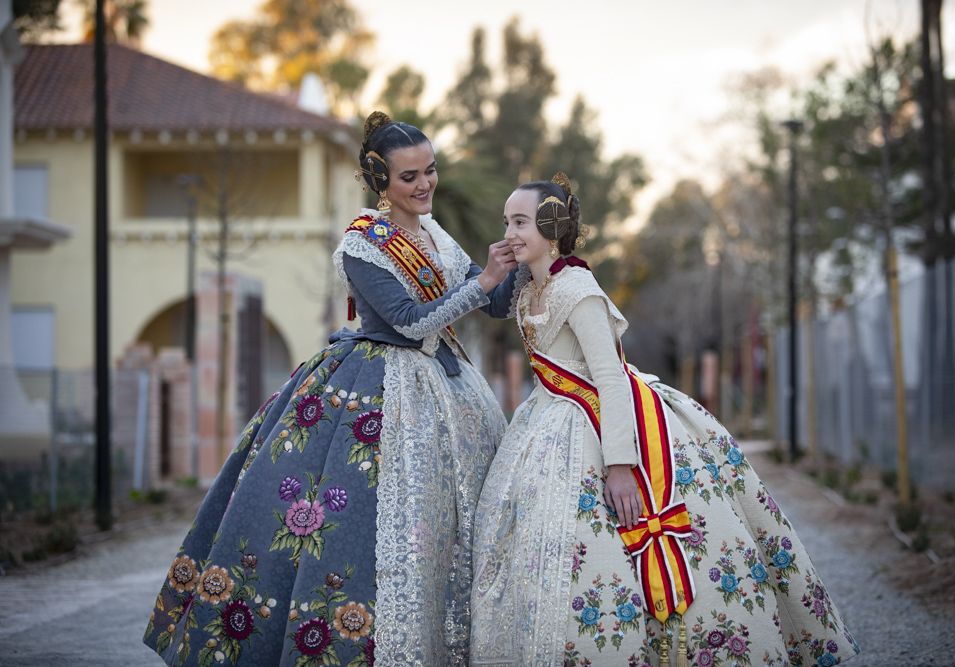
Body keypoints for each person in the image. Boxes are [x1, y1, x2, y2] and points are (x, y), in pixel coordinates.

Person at [144, 111, 522, 666]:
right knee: (372, 532)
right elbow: (410, 322)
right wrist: (485, 280)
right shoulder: (362, 244)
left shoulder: (437, 234)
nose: (425, 185)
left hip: (449, 388)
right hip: (381, 388)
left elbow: (491, 305)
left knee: (446, 534)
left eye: (430, 172)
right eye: (409, 177)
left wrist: (518, 260)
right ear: (380, 182)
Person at [471, 173, 860, 667]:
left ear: (553, 225)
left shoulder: (578, 289)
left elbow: (609, 379)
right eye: (507, 221)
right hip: (546, 425)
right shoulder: (528, 287)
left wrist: (619, 465)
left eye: (521, 222)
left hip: (599, 427)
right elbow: (492, 304)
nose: (509, 232)